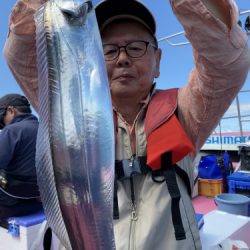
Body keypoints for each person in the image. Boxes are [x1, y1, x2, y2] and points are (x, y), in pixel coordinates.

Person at [3, 0, 250, 249]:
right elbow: (19, 55)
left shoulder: (184, 112)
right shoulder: (67, 105)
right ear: (92, 58)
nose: (122, 59)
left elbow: (227, 62)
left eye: (136, 47)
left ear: (158, 61)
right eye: (109, 50)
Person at [0, 93, 42, 220]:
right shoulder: (46, 130)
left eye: (2, 118)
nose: (3, 124)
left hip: (12, 203)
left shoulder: (12, 131)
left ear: (11, 110)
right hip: (38, 200)